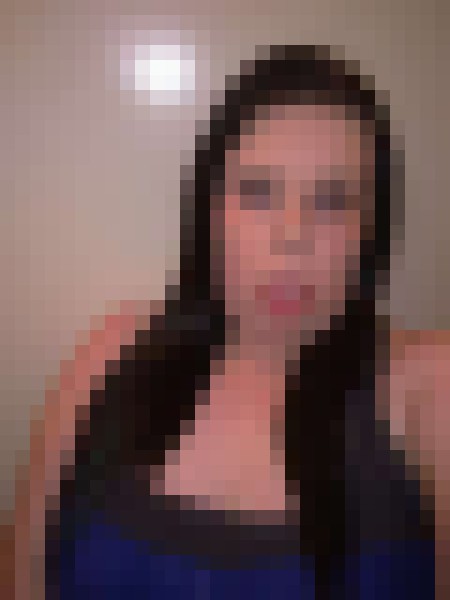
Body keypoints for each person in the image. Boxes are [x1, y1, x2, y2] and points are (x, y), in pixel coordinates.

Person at [18, 45, 435, 599]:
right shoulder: (110, 355)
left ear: (372, 232)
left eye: (333, 199)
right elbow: (24, 578)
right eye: (258, 190)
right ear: (209, 208)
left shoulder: (426, 391)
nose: (292, 236)